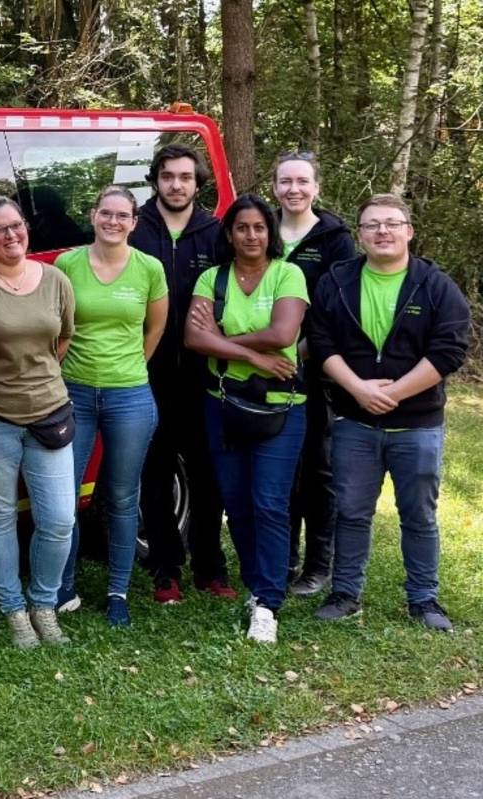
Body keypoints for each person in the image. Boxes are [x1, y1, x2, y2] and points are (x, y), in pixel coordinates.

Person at [309, 194, 472, 631]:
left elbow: (451, 349)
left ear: (409, 231)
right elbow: (321, 342)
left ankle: (424, 600)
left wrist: (395, 392)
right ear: (359, 235)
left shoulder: (435, 286)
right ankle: (345, 594)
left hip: (417, 424)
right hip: (354, 421)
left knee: (418, 514)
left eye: (391, 223)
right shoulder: (338, 281)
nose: (382, 231)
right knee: (352, 511)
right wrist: (359, 389)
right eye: (372, 225)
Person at [183, 194, 309, 643]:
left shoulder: (287, 273)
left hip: (280, 408)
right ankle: (257, 588)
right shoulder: (211, 279)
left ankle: (268, 603)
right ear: (230, 234)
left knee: (269, 503)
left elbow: (283, 333)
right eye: (242, 228)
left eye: (259, 227)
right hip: (223, 404)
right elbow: (195, 340)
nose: (251, 235)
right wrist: (253, 358)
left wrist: (224, 338)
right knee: (236, 504)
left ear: (269, 233)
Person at [0, 197, 76, 649]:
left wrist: (33, 378)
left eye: (17, 226)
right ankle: (14, 611)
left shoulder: (56, 280)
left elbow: (62, 339)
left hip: (49, 413)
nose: (11, 235)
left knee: (59, 519)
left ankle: (44, 604)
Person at [54, 186, 169, 627]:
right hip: (75, 393)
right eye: (106, 213)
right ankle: (63, 585)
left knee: (121, 497)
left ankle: (118, 590)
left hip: (130, 396)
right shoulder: (68, 263)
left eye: (123, 216)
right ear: (92, 215)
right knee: (64, 496)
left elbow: (156, 326)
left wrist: (134, 364)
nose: (113, 222)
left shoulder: (149, 268)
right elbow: (59, 325)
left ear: (134, 223)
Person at [129, 144, 236, 604]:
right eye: (168, 176)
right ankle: (165, 568)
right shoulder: (134, 229)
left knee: (208, 474)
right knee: (154, 473)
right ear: (155, 180)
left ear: (198, 183)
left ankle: (211, 568)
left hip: (204, 377)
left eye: (186, 177)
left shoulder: (216, 234)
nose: (177, 184)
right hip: (146, 373)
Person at [271, 151, 357, 597]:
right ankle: (282, 558)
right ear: (274, 187)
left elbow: (337, 309)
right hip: (266, 366)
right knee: (280, 466)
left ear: (316, 188)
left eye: (302, 181)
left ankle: (317, 565)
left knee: (318, 470)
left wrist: (301, 352)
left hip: (315, 368)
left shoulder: (335, 239)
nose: (294, 190)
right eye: (286, 181)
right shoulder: (264, 231)